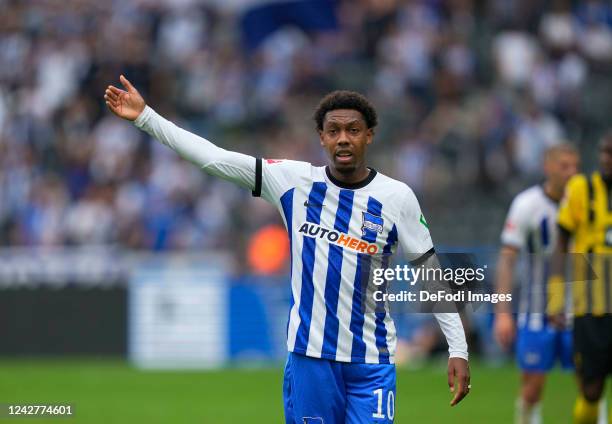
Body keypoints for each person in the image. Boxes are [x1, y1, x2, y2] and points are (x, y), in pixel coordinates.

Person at [104, 75, 470, 423]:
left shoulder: (397, 197)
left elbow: (429, 271)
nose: (343, 139)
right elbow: (214, 158)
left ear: (369, 136)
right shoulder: (293, 182)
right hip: (310, 359)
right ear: (321, 138)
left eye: (353, 130)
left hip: (371, 361)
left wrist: (458, 349)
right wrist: (146, 118)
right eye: (334, 131)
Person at [494, 144, 580, 424]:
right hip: (535, 312)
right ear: (548, 167)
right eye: (564, 166)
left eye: (575, 166)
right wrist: (503, 312)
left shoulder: (584, 201)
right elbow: (507, 259)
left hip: (578, 311)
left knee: (590, 384)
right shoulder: (526, 204)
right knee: (532, 388)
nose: (571, 173)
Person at [549, 132, 612, 424]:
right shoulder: (581, 189)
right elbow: (561, 243)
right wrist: (557, 294)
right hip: (591, 307)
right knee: (590, 389)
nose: (606, 159)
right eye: (604, 152)